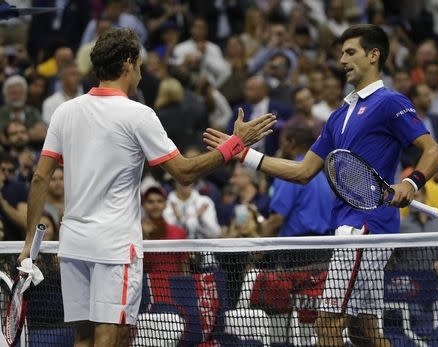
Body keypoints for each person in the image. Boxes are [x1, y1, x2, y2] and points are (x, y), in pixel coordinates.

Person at [18, 28, 275, 347]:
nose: (141, 73)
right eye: (139, 65)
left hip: (74, 242)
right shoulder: (139, 115)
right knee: (110, 333)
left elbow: (40, 178)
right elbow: (183, 172)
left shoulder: (64, 112)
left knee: (83, 336)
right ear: (128, 64)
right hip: (114, 245)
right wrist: (235, 144)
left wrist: (31, 240)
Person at [204, 24, 438, 347]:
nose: (342, 59)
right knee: (365, 332)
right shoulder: (337, 116)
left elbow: (433, 152)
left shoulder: (390, 102)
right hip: (351, 229)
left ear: (374, 56)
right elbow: (303, 171)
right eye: (341, 53)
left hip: (365, 229)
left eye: (350, 52)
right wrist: (244, 154)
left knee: (326, 323)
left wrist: (412, 183)